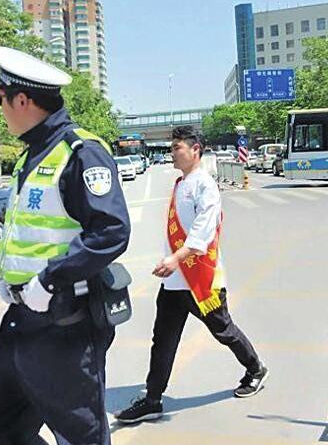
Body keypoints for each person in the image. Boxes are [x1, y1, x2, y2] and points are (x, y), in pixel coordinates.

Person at [0, 47, 131, 445]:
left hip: (65, 322)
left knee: (81, 438)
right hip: (21, 317)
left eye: (0, 99)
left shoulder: (81, 152)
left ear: (22, 100)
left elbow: (111, 231)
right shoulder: (32, 155)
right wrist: (12, 278)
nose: (1, 108)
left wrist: (49, 279)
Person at [113, 125, 268, 424]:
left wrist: (175, 258)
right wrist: (172, 263)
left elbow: (203, 233)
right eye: (171, 147)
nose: (172, 153)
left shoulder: (204, 185)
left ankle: (255, 368)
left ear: (195, 149)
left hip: (201, 281)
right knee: (163, 340)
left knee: (224, 331)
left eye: (176, 147)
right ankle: (152, 399)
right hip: (174, 283)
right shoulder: (180, 184)